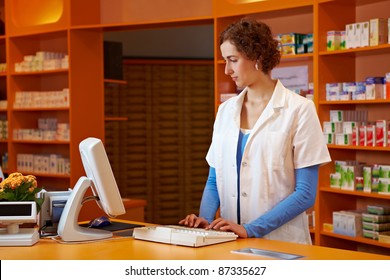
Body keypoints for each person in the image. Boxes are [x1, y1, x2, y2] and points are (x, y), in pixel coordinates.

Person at [179, 18, 331, 244]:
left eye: (233, 60)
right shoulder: (225, 111)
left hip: (281, 243)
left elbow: (305, 194)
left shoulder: (299, 110)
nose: (227, 70)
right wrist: (205, 221)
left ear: (257, 57)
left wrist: (252, 229)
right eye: (225, 61)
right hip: (229, 241)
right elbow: (214, 180)